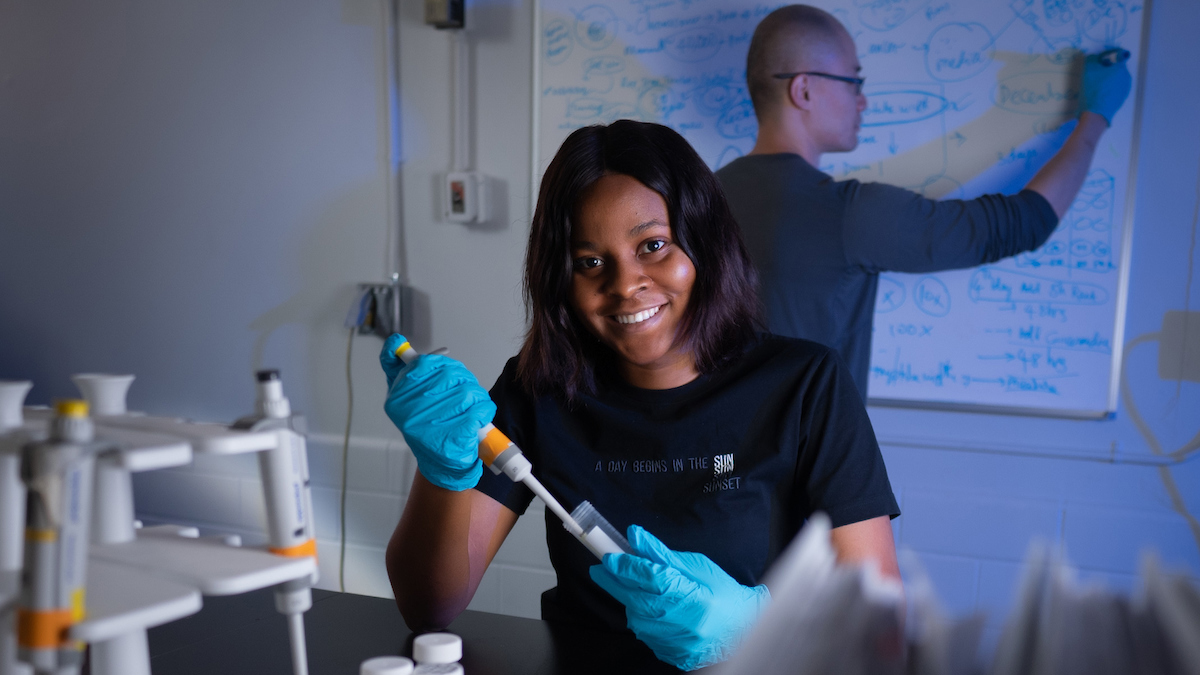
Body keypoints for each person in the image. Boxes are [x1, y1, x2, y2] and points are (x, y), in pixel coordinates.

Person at [380, 120, 901, 672]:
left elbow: (878, 631)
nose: (625, 284)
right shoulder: (538, 390)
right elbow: (429, 608)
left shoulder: (805, 383)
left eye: (653, 245)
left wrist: (759, 629)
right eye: (590, 262)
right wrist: (442, 472)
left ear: (704, 242)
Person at [715, 5, 1133, 399]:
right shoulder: (847, 213)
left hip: (712, 464)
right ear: (803, 89)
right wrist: (1094, 120)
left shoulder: (698, 200)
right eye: (853, 81)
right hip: (810, 470)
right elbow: (1024, 222)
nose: (863, 100)